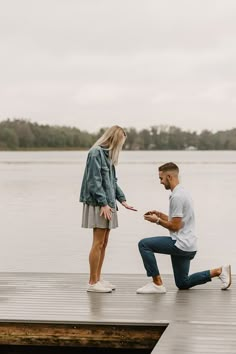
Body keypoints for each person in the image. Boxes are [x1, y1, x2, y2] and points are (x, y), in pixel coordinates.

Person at [137, 162, 231, 294]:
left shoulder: (177, 196)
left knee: (144, 244)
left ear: (169, 177)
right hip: (189, 245)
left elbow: (175, 227)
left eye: (161, 178)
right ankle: (218, 271)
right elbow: (180, 222)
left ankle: (157, 284)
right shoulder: (182, 192)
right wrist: (160, 215)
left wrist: (157, 221)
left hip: (180, 244)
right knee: (183, 283)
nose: (160, 182)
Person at [80, 125, 137, 293]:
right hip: (99, 203)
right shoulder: (95, 153)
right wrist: (103, 203)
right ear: (113, 139)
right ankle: (92, 282)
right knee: (98, 243)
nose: (121, 146)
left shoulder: (108, 156)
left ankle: (98, 278)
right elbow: (93, 181)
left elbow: (113, 182)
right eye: (120, 142)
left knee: (104, 243)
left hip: (108, 203)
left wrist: (123, 200)